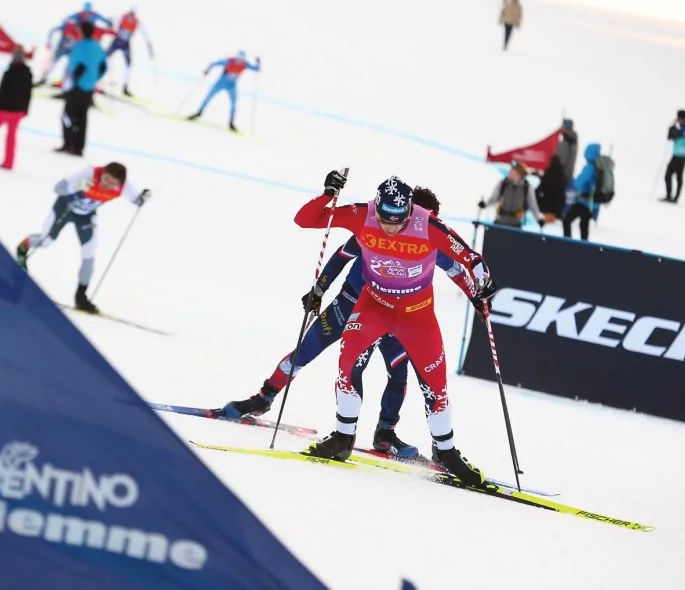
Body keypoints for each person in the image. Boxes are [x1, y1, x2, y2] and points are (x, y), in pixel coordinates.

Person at [221, 187, 480, 459]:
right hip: (350, 305)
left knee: (398, 372)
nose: (427, 225)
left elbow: (457, 271)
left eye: (432, 220)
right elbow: (341, 256)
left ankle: (385, 433)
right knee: (309, 352)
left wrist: (478, 299)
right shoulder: (377, 228)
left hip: (393, 315)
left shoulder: (430, 238)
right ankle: (264, 398)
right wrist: (319, 290)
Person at [293, 172, 498, 490]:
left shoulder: (427, 225)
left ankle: (445, 451)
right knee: (347, 364)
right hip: (373, 306)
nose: (389, 227)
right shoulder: (362, 214)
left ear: (409, 211)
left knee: (436, 384)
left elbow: (469, 258)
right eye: (384, 219)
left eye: (397, 221)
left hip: (416, 315)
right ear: (377, 207)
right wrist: (328, 193)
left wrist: (482, 286)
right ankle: (343, 437)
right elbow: (306, 220)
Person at [15, 163, 150, 313]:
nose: (106, 185)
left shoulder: (124, 187)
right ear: (102, 173)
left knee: (89, 253)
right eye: (105, 179)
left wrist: (143, 198)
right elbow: (58, 188)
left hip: (85, 216)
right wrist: (77, 188)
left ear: (120, 183)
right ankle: (23, 248)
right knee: (45, 242)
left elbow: (137, 200)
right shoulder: (89, 173)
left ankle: (81, 297)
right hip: (65, 208)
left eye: (112, 184)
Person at [57, 21, 107, 156]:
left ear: (82, 31)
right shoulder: (98, 47)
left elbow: (75, 67)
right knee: (82, 117)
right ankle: (78, 147)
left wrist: (77, 80)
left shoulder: (79, 46)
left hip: (78, 87)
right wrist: (94, 78)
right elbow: (103, 67)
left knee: (68, 115)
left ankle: (68, 143)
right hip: (89, 88)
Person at [0, 45, 32, 170]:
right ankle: (9, 162)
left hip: (5, 109)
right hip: (19, 110)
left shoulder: (9, 73)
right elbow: (28, 93)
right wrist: (25, 109)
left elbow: (1, 94)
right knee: (12, 134)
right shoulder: (28, 73)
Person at [186, 51, 261, 132]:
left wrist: (258, 63)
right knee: (208, 97)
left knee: (234, 103)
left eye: (241, 60)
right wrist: (207, 70)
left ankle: (231, 123)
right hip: (220, 83)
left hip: (231, 86)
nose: (239, 61)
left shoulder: (245, 64)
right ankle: (198, 113)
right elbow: (213, 63)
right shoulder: (228, 61)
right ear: (236, 57)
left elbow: (256, 69)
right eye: (238, 59)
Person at [478, 160, 544, 228]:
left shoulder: (526, 187)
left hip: (516, 223)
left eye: (512, 171)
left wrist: (538, 219)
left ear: (518, 174)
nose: (509, 173)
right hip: (500, 221)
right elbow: (494, 198)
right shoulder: (503, 184)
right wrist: (485, 205)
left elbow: (532, 204)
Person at [105, 7, 153, 97]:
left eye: (133, 14)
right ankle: (96, 79)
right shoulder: (121, 17)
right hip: (116, 41)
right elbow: (110, 19)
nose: (131, 16)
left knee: (128, 65)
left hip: (125, 44)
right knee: (104, 57)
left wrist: (149, 45)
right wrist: (109, 25)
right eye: (130, 13)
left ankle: (125, 87)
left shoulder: (137, 22)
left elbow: (144, 34)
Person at [562, 143, 602, 240]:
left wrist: (572, 183)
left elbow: (579, 183)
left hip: (585, 201)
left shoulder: (590, 168)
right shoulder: (599, 167)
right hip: (593, 203)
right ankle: (584, 244)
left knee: (566, 220)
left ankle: (567, 243)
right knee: (584, 224)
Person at [37, 18, 81, 86]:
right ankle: (43, 78)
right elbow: (53, 30)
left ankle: (65, 83)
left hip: (71, 51)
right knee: (52, 63)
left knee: (69, 67)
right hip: (61, 49)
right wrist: (49, 41)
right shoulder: (68, 26)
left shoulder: (81, 32)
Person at [662, 109, 685, 204]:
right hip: (684, 155)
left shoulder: (681, 130)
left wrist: (673, 126)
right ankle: (676, 197)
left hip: (677, 155)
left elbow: (670, 136)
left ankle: (669, 196)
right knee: (679, 177)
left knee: (668, 175)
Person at [535, 154, 567, 228]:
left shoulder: (548, 174)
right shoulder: (563, 176)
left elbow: (540, 188)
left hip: (546, 204)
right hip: (558, 206)